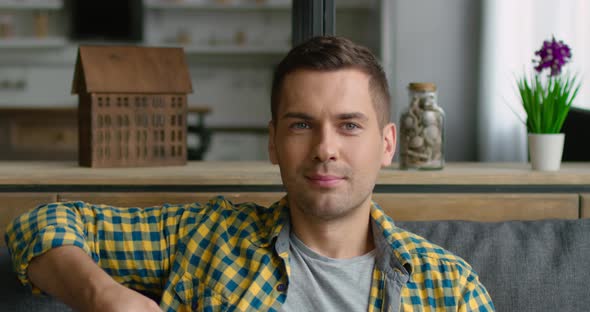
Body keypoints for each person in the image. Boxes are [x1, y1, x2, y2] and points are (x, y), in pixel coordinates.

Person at [5, 36, 494, 312]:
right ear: (273, 141)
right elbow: (39, 224)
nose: (325, 149)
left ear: (386, 144)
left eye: (349, 126)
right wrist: (103, 295)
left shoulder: (449, 288)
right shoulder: (205, 237)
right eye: (302, 125)